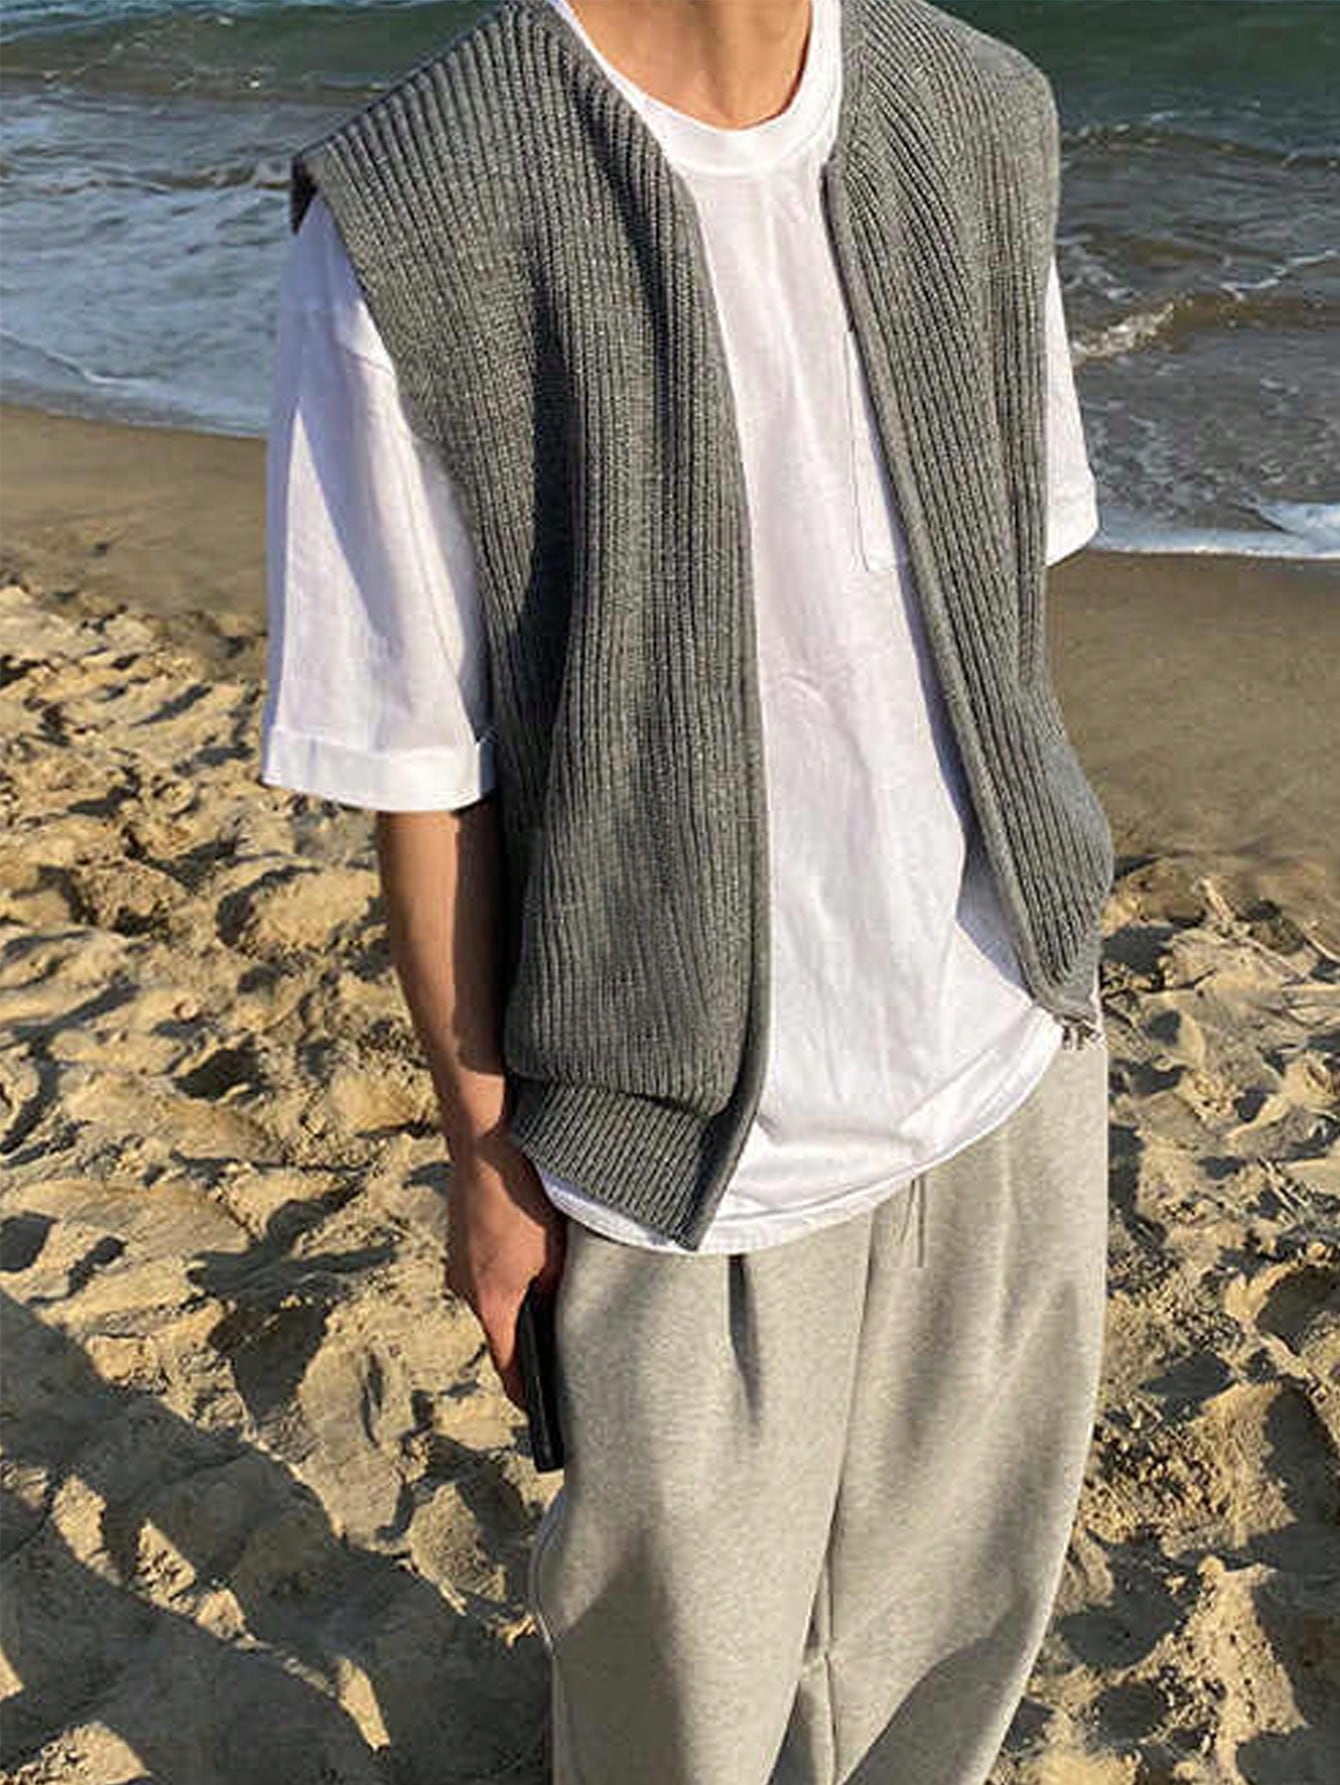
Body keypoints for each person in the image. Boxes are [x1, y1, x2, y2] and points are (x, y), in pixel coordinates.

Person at [261, 0, 1115, 1778]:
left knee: (950, 1667)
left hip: (1008, 1054)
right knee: (676, 1714)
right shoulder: (419, 199)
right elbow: (422, 765)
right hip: (669, 1146)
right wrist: (484, 1153)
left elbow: (1003, 598)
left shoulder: (980, 109)